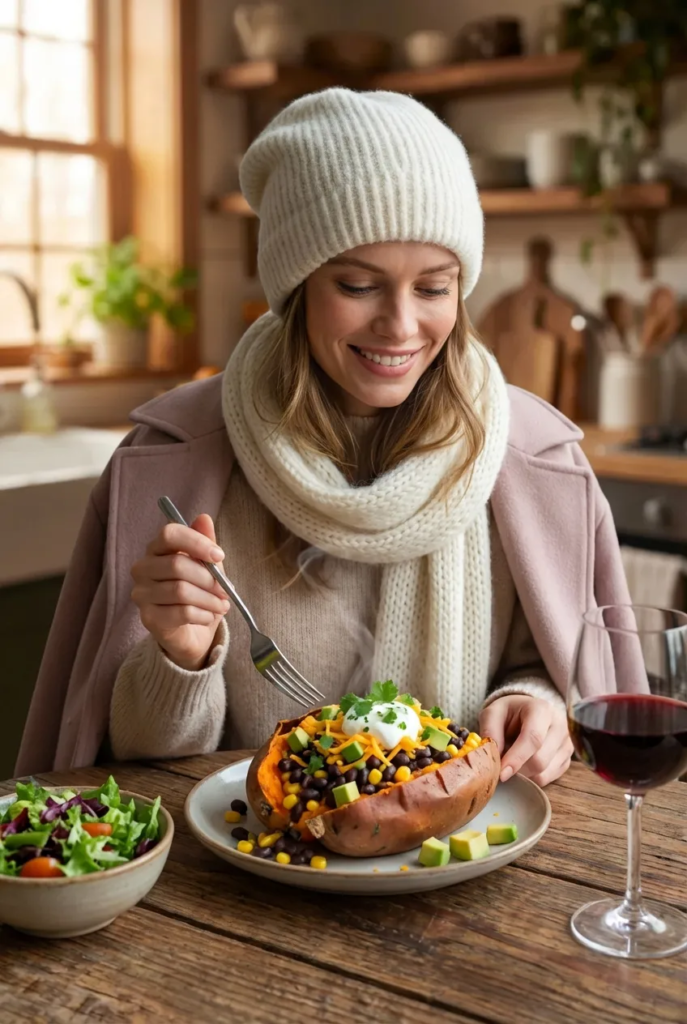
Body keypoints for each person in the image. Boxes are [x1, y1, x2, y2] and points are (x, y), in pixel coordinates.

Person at [16, 89, 631, 783]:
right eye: (359, 286)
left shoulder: (531, 459)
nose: (400, 326)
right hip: (244, 872)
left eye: (433, 288)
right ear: (297, 285)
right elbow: (139, 771)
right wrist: (180, 658)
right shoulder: (173, 461)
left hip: (468, 864)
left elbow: (553, 669)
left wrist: (536, 703)